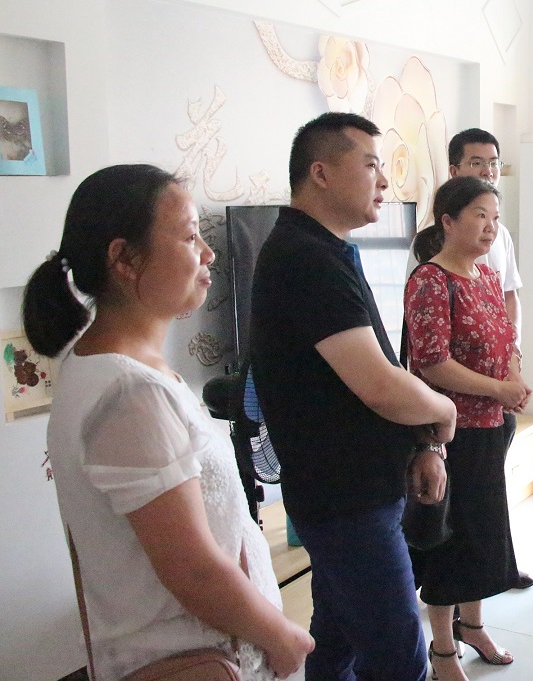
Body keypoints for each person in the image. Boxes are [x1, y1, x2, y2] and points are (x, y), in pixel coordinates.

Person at [25, 164, 314, 680]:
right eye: (188, 236)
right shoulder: (130, 392)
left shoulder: (108, 367)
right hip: (196, 658)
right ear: (124, 259)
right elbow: (192, 569)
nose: (208, 252)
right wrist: (281, 635)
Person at [249, 113, 458, 681]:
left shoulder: (325, 248)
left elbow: (377, 367)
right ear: (320, 173)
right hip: (345, 499)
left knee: (336, 639)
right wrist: (443, 410)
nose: (384, 182)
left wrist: (422, 444)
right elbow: (380, 385)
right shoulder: (305, 258)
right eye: (370, 165)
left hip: (356, 488)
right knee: (397, 656)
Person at [404, 175, 530, 681]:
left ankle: (473, 626)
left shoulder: (485, 276)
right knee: (450, 541)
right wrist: (498, 388)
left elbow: (507, 338)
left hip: (491, 427)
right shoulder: (430, 281)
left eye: (495, 218)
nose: (490, 227)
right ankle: (442, 650)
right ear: (448, 221)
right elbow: (432, 363)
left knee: (482, 534)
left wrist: (513, 379)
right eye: (480, 215)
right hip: (450, 434)